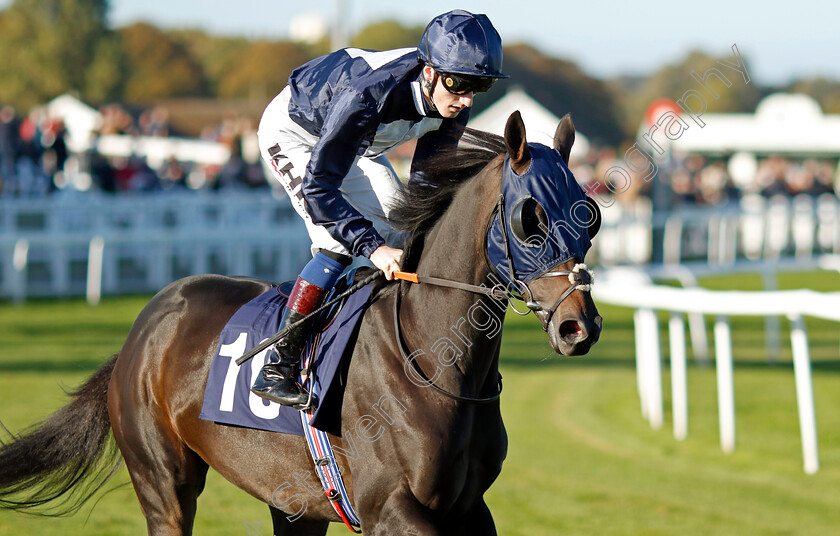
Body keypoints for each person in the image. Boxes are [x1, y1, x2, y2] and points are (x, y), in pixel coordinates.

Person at [251, 9, 508, 406]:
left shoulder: (455, 97)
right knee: (335, 242)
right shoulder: (367, 95)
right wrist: (372, 247)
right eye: (459, 85)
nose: (467, 99)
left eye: (481, 86)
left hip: (356, 143)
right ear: (430, 72)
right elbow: (320, 189)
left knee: (404, 229)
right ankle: (278, 365)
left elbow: (426, 186)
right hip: (296, 134)